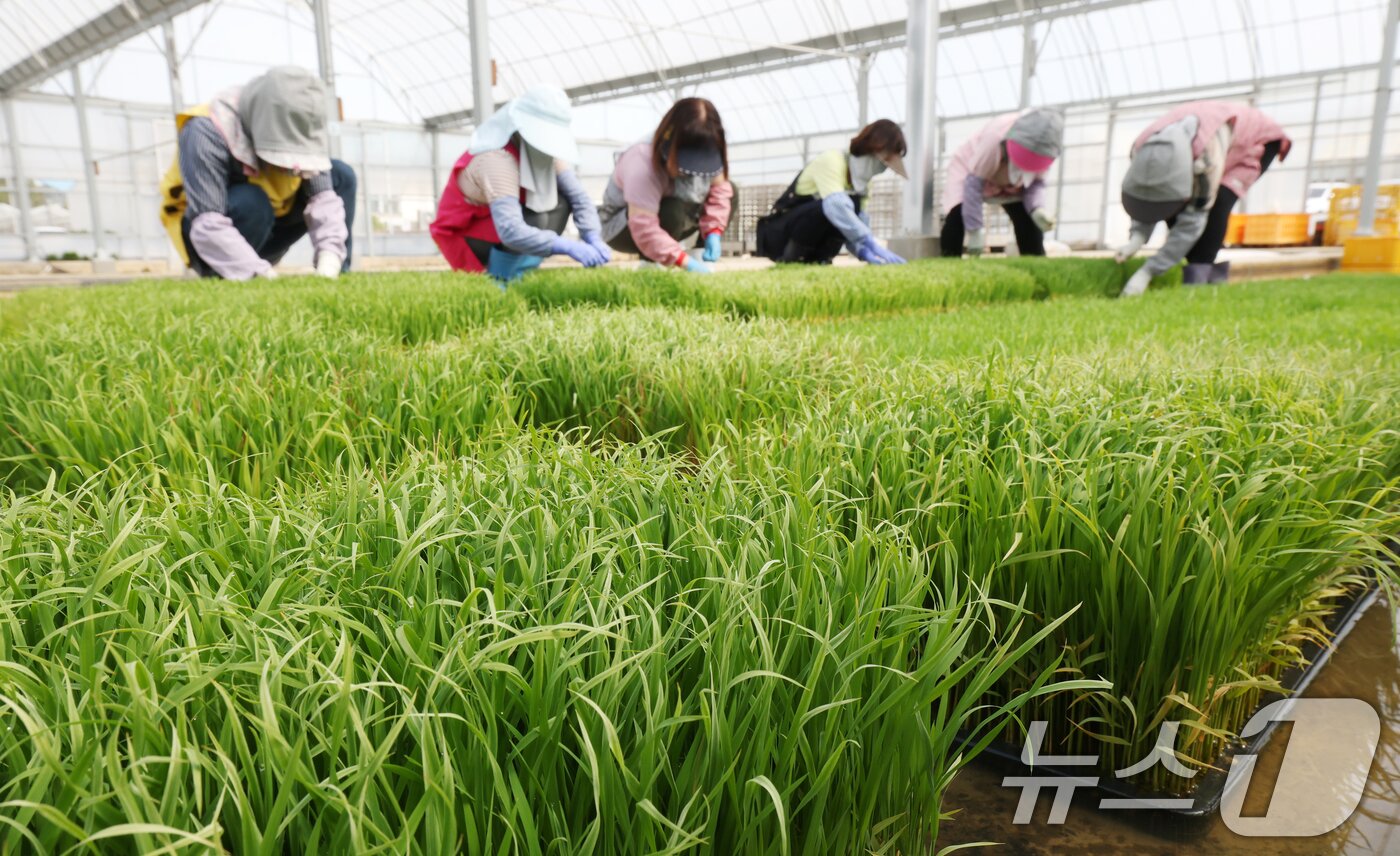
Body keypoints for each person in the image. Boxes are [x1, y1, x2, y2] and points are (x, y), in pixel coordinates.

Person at [159, 65, 355, 281]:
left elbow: (323, 201)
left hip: (272, 222)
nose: (292, 167)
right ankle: (224, 273)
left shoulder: (302, 123)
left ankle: (338, 272)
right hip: (209, 234)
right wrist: (263, 275)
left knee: (340, 174)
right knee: (252, 201)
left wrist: (329, 258)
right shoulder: (205, 130)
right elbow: (208, 221)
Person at [430, 85, 609, 281]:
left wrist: (592, 235)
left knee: (560, 203)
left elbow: (579, 198)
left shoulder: (542, 154)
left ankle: (523, 272)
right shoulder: (496, 159)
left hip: (501, 226)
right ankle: (501, 277)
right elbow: (510, 229)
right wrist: (565, 246)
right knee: (538, 217)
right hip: (470, 234)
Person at [1116, 101, 1290, 296]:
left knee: (1219, 204)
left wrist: (1148, 271)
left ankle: (1200, 278)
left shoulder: (1205, 161)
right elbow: (1147, 196)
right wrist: (1137, 237)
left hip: (1254, 140)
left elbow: (1193, 220)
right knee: (1175, 211)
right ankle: (1189, 269)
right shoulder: (1140, 149)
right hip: (1209, 139)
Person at [597, 98, 733, 274]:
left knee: (731, 191)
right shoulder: (642, 160)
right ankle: (651, 266)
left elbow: (720, 190)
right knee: (672, 209)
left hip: (677, 219)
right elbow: (643, 225)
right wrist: (684, 261)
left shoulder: (708, 146)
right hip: (625, 229)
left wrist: (713, 231)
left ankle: (702, 258)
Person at [755, 119, 908, 265]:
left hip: (814, 243)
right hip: (780, 238)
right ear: (868, 150)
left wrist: (864, 251)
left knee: (852, 207)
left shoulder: (864, 186)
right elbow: (836, 206)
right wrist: (868, 240)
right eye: (881, 162)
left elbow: (856, 222)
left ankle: (820, 259)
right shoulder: (832, 160)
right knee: (833, 206)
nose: (881, 169)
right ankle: (794, 258)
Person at [940, 108, 1064, 259]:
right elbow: (973, 184)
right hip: (972, 169)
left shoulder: (1045, 153)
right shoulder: (995, 137)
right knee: (958, 213)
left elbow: (1035, 184)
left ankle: (1035, 261)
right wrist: (975, 230)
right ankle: (949, 259)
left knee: (1027, 219)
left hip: (1014, 183)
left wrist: (1037, 209)